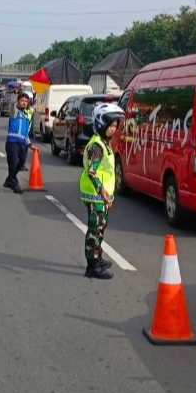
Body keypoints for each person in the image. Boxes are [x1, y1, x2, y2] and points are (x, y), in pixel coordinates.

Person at [79, 103, 123, 279]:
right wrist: (101, 191)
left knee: (100, 227)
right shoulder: (96, 145)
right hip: (95, 193)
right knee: (95, 229)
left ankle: (97, 258)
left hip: (102, 194)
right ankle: (92, 266)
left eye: (115, 126)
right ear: (100, 123)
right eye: (110, 125)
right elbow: (92, 171)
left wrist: (107, 194)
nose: (113, 129)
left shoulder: (104, 143)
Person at [3, 91, 34, 193]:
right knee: (12, 163)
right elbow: (12, 105)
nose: (24, 102)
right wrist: (15, 93)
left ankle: (9, 179)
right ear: (18, 101)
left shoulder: (26, 117)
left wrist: (29, 144)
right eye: (22, 100)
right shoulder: (14, 112)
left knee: (21, 162)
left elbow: (25, 133)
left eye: (26, 101)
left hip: (22, 144)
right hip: (12, 142)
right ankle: (15, 184)